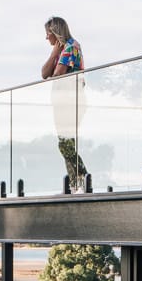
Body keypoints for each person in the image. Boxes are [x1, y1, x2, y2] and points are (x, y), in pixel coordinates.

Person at [40, 17, 87, 189]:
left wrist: (55, 56)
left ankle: (82, 175)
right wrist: (54, 54)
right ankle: (76, 184)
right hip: (64, 101)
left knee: (65, 142)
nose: (46, 38)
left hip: (70, 101)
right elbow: (44, 73)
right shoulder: (62, 50)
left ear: (55, 33)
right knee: (66, 142)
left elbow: (57, 75)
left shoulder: (70, 47)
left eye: (47, 34)